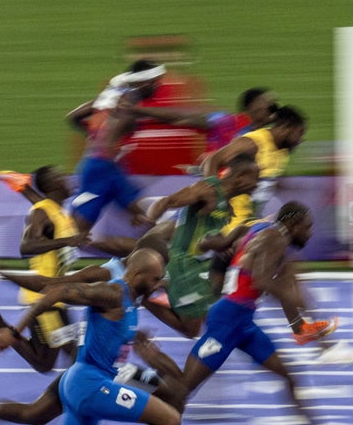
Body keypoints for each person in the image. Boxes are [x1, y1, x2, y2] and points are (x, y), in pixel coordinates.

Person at [21, 248, 181, 425]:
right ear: (136, 275)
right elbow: (58, 291)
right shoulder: (113, 292)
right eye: (155, 279)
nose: (158, 285)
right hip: (92, 385)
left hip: (84, 382)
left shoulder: (131, 299)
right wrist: (16, 329)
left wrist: (135, 337)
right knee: (170, 421)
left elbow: (109, 330)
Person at [181, 202, 338, 408]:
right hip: (226, 324)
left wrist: (207, 246)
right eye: (307, 227)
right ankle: (140, 394)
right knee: (182, 391)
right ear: (292, 223)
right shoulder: (276, 239)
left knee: (290, 378)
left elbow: (227, 247)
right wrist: (292, 301)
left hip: (244, 323)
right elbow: (261, 281)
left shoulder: (257, 228)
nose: (310, 234)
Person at [0, 165, 89, 373]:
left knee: (45, 362)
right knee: (73, 358)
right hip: (43, 298)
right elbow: (26, 247)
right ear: (52, 185)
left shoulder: (56, 210)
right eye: (61, 176)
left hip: (56, 294)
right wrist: (68, 240)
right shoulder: (42, 212)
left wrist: (24, 189)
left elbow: (46, 210)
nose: (67, 178)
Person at [144, 153, 261, 338]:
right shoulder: (207, 190)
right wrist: (150, 218)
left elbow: (206, 231)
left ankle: (168, 289)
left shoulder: (226, 204)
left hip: (197, 265)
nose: (257, 184)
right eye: (255, 179)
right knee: (191, 330)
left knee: (214, 301)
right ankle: (145, 298)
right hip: (182, 263)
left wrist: (222, 244)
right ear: (240, 177)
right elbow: (168, 202)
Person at [65, 59, 166, 255]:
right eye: (155, 82)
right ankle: (149, 255)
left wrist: (93, 138)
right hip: (101, 171)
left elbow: (74, 116)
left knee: (144, 219)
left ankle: (153, 257)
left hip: (105, 167)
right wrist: (109, 149)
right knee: (79, 235)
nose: (157, 86)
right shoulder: (127, 106)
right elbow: (112, 138)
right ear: (143, 83)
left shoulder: (110, 97)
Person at [204, 105, 307, 233]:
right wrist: (215, 200)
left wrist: (286, 186)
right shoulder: (253, 143)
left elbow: (265, 179)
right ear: (286, 128)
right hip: (230, 222)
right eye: (299, 133)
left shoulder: (282, 153)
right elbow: (212, 161)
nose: (300, 140)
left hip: (250, 222)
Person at [123, 87, 279, 166]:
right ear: (253, 106)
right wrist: (137, 110)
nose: (273, 107)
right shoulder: (226, 122)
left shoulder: (272, 137)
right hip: (214, 188)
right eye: (267, 103)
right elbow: (180, 118)